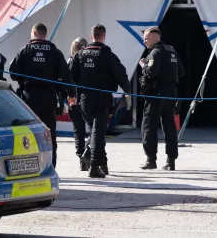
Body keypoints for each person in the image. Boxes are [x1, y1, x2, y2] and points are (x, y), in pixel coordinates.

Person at [9, 23, 74, 169]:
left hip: (29, 99)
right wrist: (70, 94)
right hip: (48, 99)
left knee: (27, 136)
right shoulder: (55, 52)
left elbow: (13, 73)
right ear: (45, 34)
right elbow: (66, 76)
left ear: (33, 33)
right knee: (49, 135)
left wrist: (25, 78)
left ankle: (28, 167)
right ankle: (50, 167)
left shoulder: (24, 51)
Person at [70, 24, 130, 178]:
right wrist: (128, 91)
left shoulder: (80, 54)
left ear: (91, 36)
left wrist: (73, 95)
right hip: (102, 99)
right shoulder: (108, 55)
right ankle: (95, 166)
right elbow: (121, 74)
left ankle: (103, 163)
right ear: (104, 36)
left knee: (97, 132)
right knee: (97, 133)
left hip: (85, 100)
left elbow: (72, 78)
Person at [139, 26, 185, 171]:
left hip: (155, 96)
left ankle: (150, 160)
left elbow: (151, 72)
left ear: (154, 37)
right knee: (170, 127)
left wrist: (143, 65)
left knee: (148, 127)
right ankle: (171, 161)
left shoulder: (156, 52)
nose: (145, 42)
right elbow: (182, 72)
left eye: (146, 38)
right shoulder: (172, 51)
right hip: (170, 95)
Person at [66, 37, 89, 171]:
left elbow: (66, 81)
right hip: (87, 98)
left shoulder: (70, 61)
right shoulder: (88, 61)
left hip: (74, 99)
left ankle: (81, 156)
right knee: (93, 129)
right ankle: (86, 155)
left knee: (78, 131)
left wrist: (68, 98)